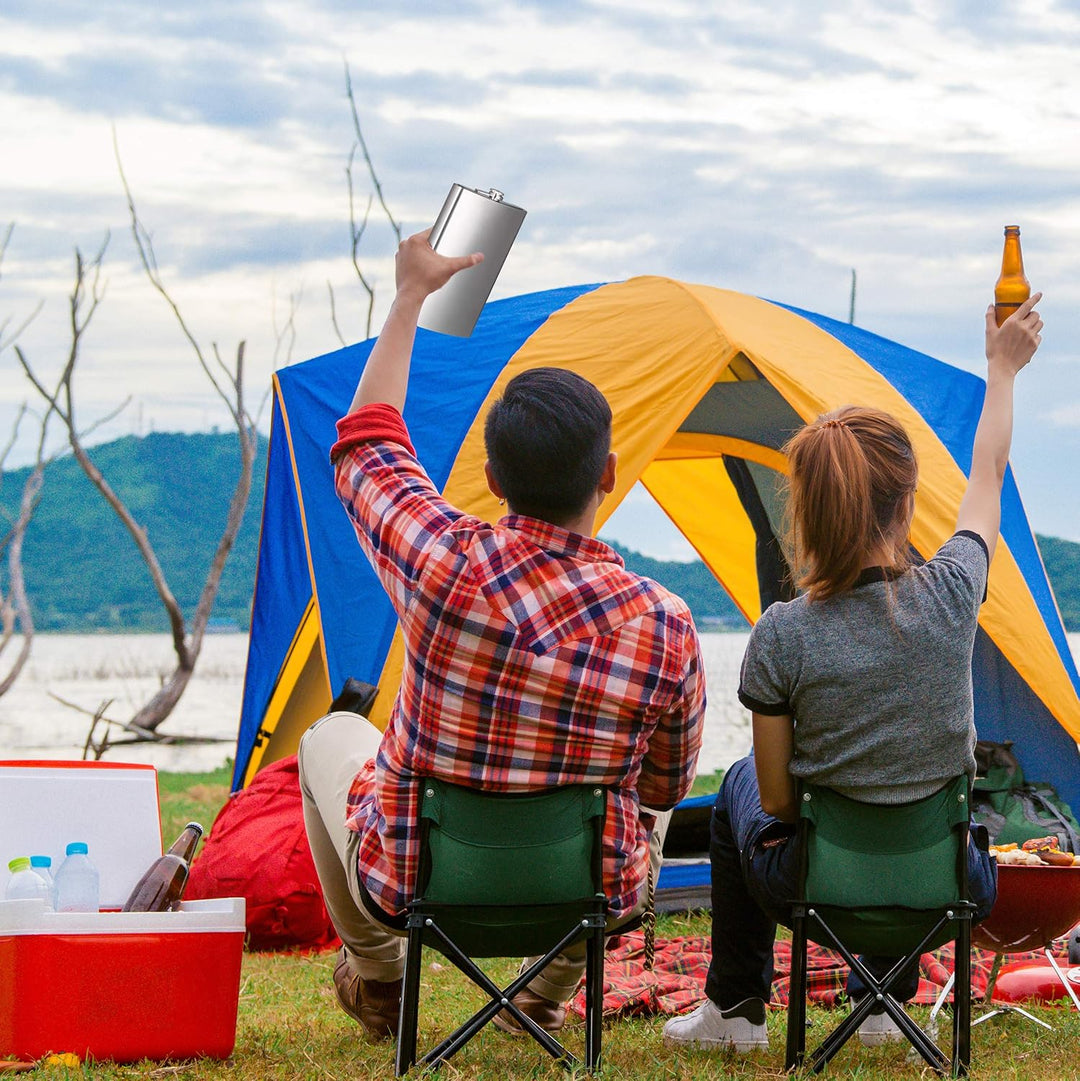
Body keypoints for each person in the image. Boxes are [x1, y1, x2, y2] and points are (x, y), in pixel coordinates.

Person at [298, 229, 706, 1041]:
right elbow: (662, 787)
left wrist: (411, 294)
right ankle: (547, 992)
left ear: (491, 481)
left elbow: (367, 441)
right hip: (588, 890)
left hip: (418, 881)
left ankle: (380, 973)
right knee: (647, 799)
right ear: (609, 476)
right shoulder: (666, 622)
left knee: (329, 735)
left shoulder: (442, 562)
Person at [663, 292, 1044, 1052]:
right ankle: (883, 1001)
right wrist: (1001, 369)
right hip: (949, 886)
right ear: (907, 506)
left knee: (740, 781)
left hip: (813, 885)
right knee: (898, 795)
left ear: (806, 513)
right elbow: (989, 471)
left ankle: (736, 1009)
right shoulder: (954, 593)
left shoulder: (782, 634)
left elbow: (776, 797)